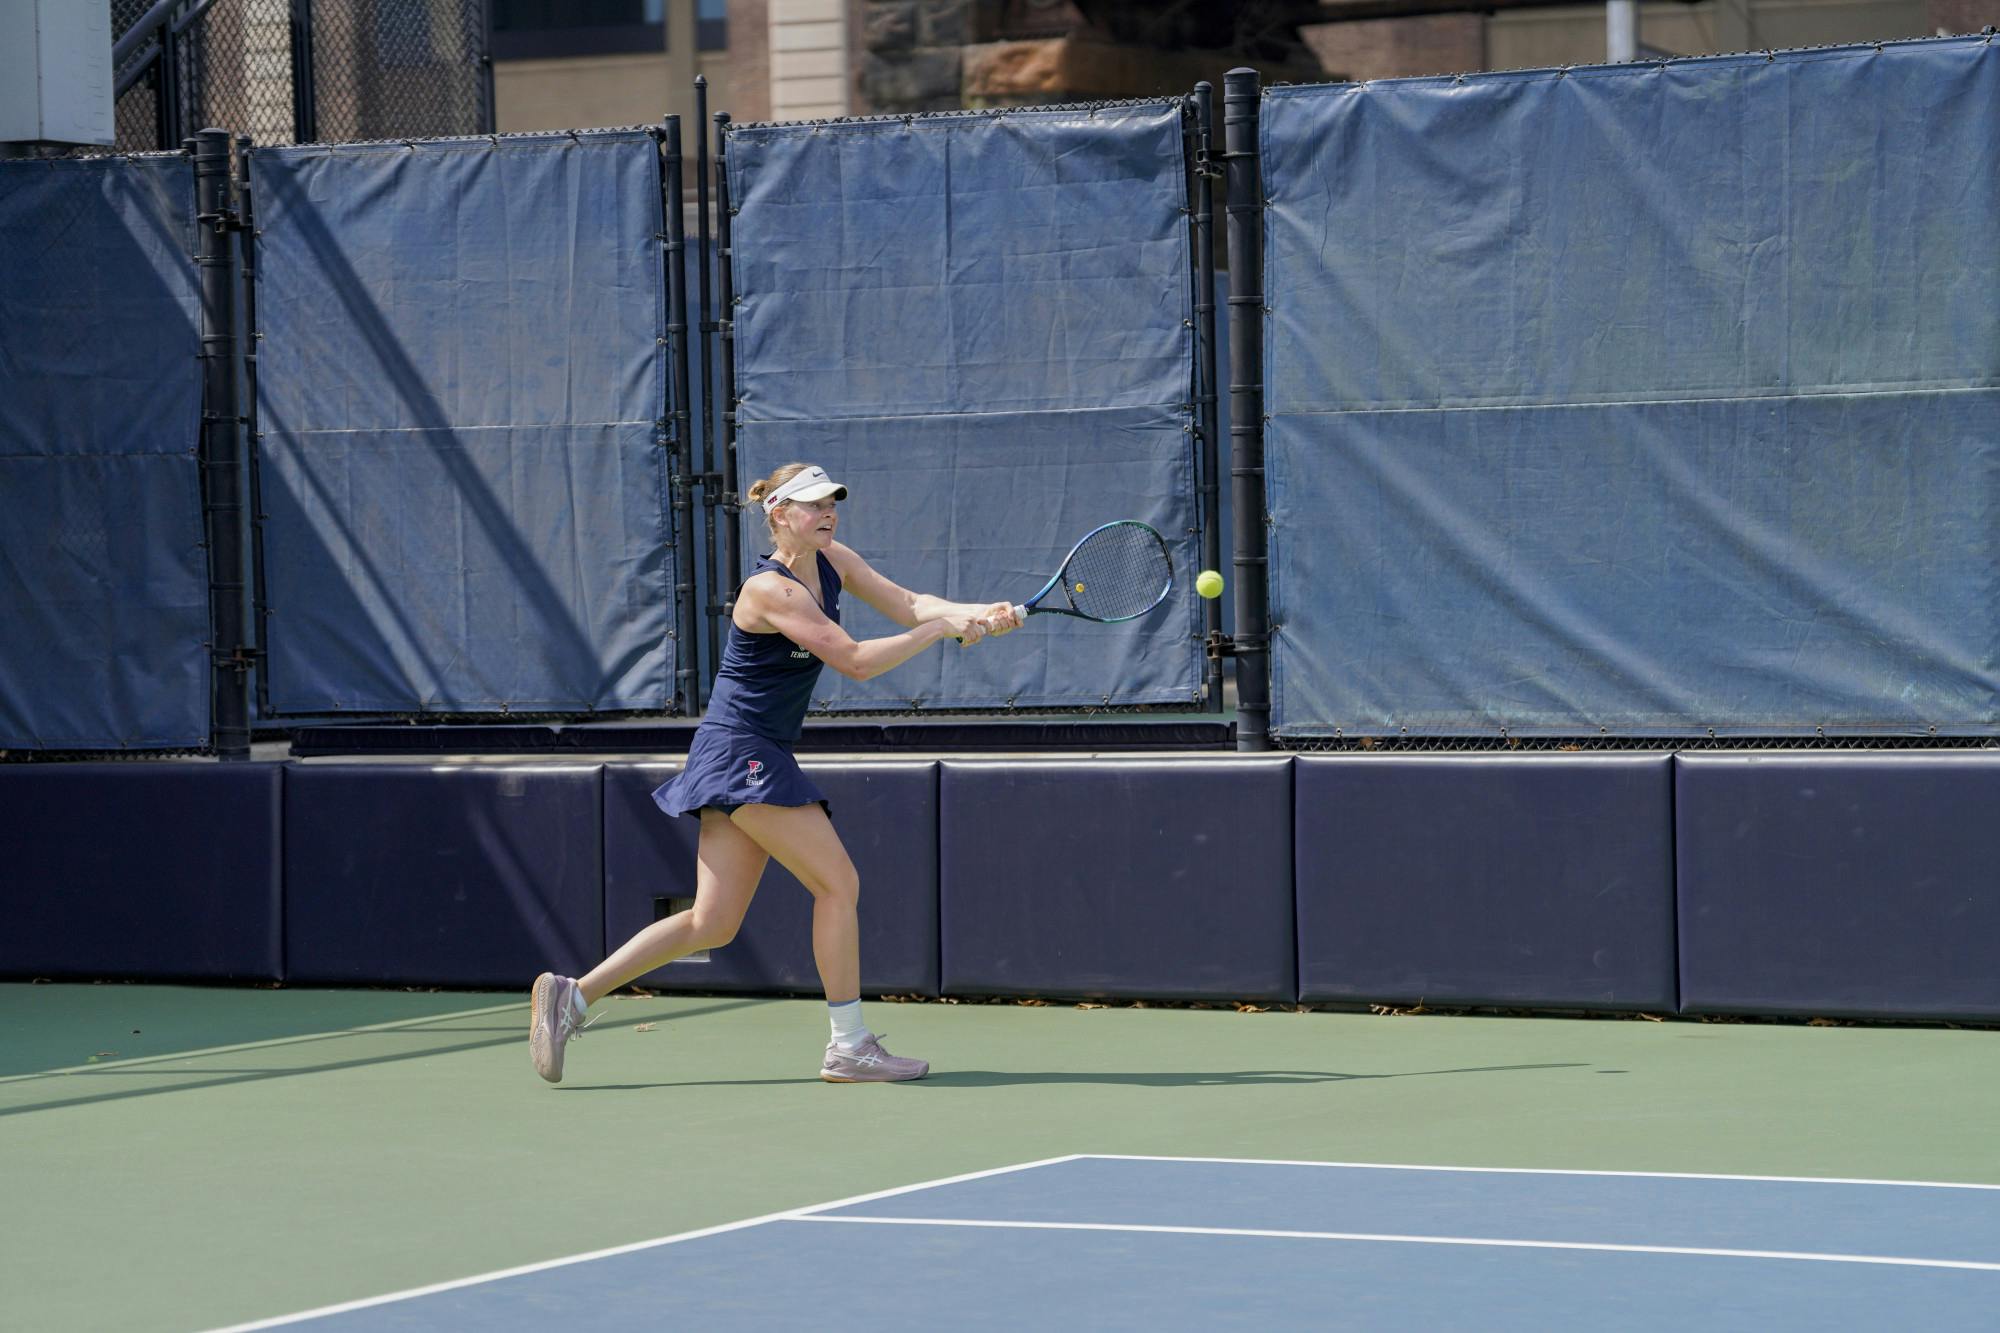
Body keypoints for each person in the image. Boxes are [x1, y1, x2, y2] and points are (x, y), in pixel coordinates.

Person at [529, 462, 1019, 1084]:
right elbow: (855, 661)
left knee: (714, 921)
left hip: (749, 750)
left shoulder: (835, 560)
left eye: (832, 502)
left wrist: (977, 610)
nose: (828, 513)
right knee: (837, 884)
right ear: (780, 514)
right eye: (813, 505)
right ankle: (849, 1046)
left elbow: (909, 603)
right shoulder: (770, 590)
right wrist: (938, 630)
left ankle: (571, 996)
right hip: (742, 750)